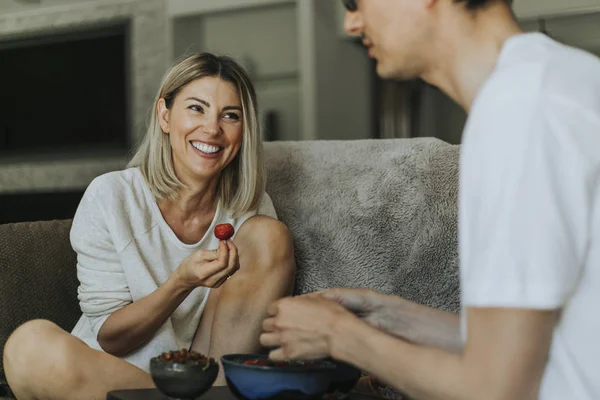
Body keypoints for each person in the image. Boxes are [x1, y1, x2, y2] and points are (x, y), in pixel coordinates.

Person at [260, 0, 600, 399]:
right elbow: (531, 346)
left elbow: (496, 389)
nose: (352, 23)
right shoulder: (556, 80)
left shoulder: (521, 115)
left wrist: (341, 337)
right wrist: (385, 317)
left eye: (355, 3)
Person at [4, 52, 296, 400]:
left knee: (270, 235)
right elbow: (111, 338)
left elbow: (256, 322)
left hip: (204, 381)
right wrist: (180, 283)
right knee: (28, 346)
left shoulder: (250, 209)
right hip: (112, 378)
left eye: (230, 115)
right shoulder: (111, 196)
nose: (212, 128)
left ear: (243, 130)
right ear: (165, 115)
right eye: (196, 108)